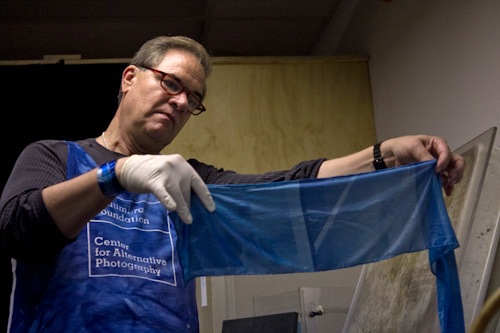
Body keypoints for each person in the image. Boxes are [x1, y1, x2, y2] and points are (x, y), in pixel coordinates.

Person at [0, 35, 464, 332]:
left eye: (193, 99)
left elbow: (287, 188)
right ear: (129, 78)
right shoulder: (54, 157)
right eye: (171, 83)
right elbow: (20, 228)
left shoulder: (191, 179)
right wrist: (113, 175)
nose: (181, 102)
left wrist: (383, 154)